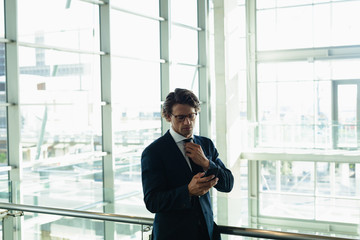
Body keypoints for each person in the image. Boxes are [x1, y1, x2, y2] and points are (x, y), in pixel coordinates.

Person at [141, 88, 234, 240]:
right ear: (168, 116)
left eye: (192, 116)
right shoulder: (154, 152)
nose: (188, 122)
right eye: (180, 117)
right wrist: (188, 191)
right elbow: (152, 202)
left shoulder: (206, 144)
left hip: (207, 234)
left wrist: (206, 162)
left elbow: (228, 184)